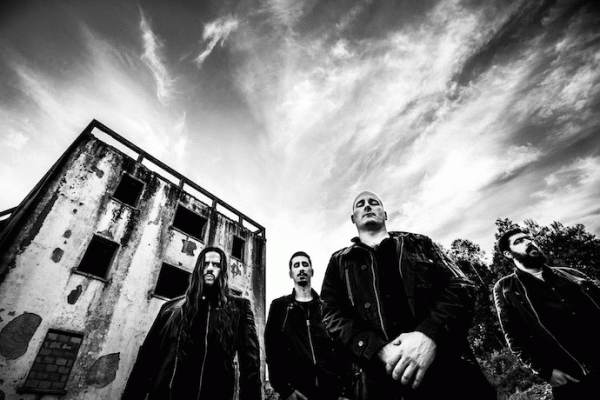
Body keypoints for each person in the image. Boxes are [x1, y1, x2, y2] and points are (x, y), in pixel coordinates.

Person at [321, 191, 494, 399]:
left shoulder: (419, 243)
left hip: (452, 375)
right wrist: (377, 350)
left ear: (385, 214)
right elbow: (332, 315)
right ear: (353, 219)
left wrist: (429, 334)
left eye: (373, 202)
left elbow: (461, 286)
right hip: (381, 387)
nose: (367, 206)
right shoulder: (339, 262)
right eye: (360, 204)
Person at [121, 246, 261, 400]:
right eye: (205, 264)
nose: (210, 268)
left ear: (223, 271)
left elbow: (251, 369)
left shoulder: (239, 308)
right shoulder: (170, 309)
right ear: (198, 268)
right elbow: (145, 363)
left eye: (216, 265)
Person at [494, 228, 600, 399]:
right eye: (519, 241)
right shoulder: (507, 288)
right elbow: (514, 336)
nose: (528, 242)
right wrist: (545, 371)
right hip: (572, 378)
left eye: (528, 238)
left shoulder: (570, 274)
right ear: (508, 254)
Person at [265, 251, 351, 400]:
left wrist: (345, 391)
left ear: (312, 271)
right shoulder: (280, 307)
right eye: (296, 265)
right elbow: (272, 350)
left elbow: (343, 347)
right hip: (297, 393)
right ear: (290, 274)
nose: (301, 268)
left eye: (305, 264)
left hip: (331, 392)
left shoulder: (327, 307)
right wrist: (285, 390)